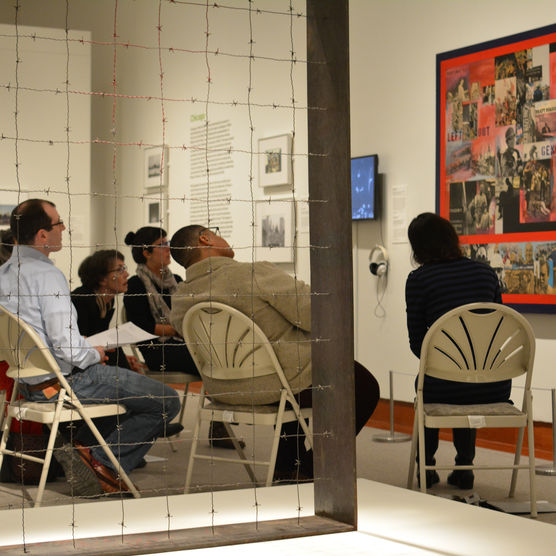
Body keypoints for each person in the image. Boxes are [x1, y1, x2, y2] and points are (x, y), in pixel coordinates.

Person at [169, 225, 380, 482]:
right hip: (278, 385)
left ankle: (286, 464)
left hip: (225, 390)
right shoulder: (253, 273)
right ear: (205, 238)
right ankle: (315, 465)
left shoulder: (181, 299)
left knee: (288, 369)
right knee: (363, 385)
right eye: (215, 231)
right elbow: (317, 314)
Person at [0, 199, 180, 496]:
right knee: (166, 401)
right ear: (43, 235)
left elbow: (44, 337)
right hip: (66, 383)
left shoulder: (5, 273)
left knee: (129, 395)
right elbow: (68, 348)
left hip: (28, 384)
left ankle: (83, 451)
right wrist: (92, 353)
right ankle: (102, 462)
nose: (64, 228)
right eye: (58, 223)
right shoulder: (47, 276)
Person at [405, 212, 510, 490]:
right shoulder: (486, 273)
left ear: (417, 248)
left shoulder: (419, 280)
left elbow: (418, 343)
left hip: (443, 386)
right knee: (469, 373)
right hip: (494, 385)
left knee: (432, 382)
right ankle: (465, 467)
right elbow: (496, 330)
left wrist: (448, 363)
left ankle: (425, 469)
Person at [123, 227, 198, 376]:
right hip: (157, 350)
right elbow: (141, 326)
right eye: (162, 245)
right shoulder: (135, 284)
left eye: (167, 242)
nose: (168, 248)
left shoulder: (176, 281)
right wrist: (177, 330)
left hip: (181, 341)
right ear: (146, 253)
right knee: (207, 356)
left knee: (214, 352)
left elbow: (188, 312)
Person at [72, 250, 138, 370]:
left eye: (124, 268)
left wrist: (123, 359)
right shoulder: (81, 301)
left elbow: (100, 339)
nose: (127, 274)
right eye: (120, 270)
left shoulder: (107, 301)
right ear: (102, 279)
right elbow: (79, 344)